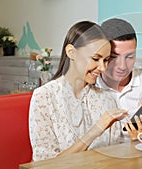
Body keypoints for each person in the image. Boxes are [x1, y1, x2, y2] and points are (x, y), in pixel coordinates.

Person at [29, 21, 127, 161]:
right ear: (71, 52)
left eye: (106, 60)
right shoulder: (44, 97)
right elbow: (45, 164)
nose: (103, 68)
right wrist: (96, 129)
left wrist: (136, 137)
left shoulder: (106, 98)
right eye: (95, 59)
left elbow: (116, 153)